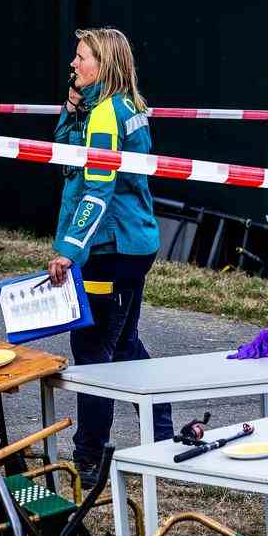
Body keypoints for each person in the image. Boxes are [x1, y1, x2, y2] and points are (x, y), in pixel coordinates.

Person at [48, 27, 173, 482]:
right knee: (123, 344)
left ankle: (90, 456)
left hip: (110, 247)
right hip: (135, 243)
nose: (73, 65)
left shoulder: (105, 116)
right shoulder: (126, 105)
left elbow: (97, 190)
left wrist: (68, 251)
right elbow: (65, 154)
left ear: (104, 65)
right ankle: (163, 434)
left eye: (81, 58)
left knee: (93, 352)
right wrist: (71, 106)